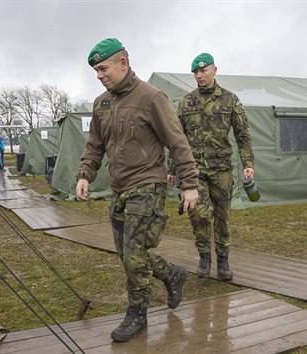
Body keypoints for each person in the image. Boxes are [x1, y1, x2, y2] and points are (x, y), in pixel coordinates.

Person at [76, 38, 199, 342]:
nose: (99, 75)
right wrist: (85, 175)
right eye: (95, 70)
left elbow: (177, 141)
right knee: (129, 254)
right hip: (119, 189)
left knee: (133, 255)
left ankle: (138, 314)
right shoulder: (101, 103)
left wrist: (190, 184)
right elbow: (95, 144)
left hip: (147, 185)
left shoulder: (151, 97)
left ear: (123, 63)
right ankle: (171, 273)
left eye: (103, 68)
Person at [168, 53, 254, 281]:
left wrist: (248, 164)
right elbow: (177, 138)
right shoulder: (187, 102)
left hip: (221, 169)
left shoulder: (230, 100)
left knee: (223, 217)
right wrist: (171, 169)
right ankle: (204, 257)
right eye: (195, 72)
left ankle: (223, 260)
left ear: (214, 70)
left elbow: (243, 133)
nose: (199, 75)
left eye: (203, 71)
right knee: (199, 215)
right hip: (194, 170)